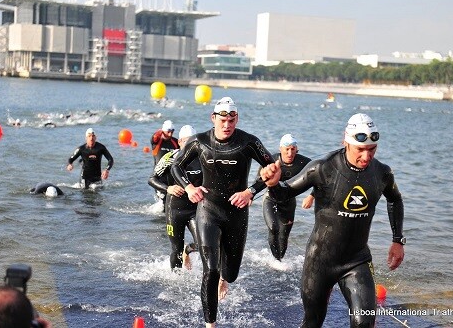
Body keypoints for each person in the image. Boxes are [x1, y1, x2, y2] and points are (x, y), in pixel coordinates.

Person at [260, 113, 405, 328]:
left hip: (357, 260)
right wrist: (272, 184)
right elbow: (284, 193)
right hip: (320, 261)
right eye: (360, 149)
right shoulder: (323, 168)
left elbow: (395, 200)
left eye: (372, 149)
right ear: (346, 142)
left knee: (364, 322)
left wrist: (397, 240)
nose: (366, 157)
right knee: (312, 322)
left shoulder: (382, 172)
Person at [171, 97, 275, 328]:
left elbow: (272, 167)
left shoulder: (249, 142)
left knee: (230, 273)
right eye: (222, 120)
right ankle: (211, 324)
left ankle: (225, 280)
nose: (227, 125)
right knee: (211, 269)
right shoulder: (199, 141)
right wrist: (189, 188)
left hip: (237, 213)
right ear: (213, 118)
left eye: (231, 120)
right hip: (208, 210)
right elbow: (176, 166)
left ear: (236, 118)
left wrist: (250, 191)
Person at [148, 124, 202, 270]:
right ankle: (175, 281)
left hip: (194, 210)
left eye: (193, 141)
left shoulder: (203, 158)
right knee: (176, 250)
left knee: (203, 244)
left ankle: (188, 250)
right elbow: (152, 179)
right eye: (186, 141)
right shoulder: (170, 157)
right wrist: (169, 188)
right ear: (180, 142)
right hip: (174, 210)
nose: (190, 144)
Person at [258, 133, 313, 261]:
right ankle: (275, 260)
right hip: (270, 199)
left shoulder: (304, 163)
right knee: (273, 227)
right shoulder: (271, 160)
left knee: (284, 235)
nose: (289, 153)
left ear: (296, 150)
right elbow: (260, 180)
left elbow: (320, 179)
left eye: (292, 149)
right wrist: (250, 195)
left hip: (289, 202)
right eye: (286, 149)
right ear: (280, 149)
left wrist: (311, 196)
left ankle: (280, 260)